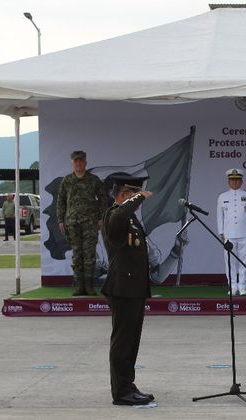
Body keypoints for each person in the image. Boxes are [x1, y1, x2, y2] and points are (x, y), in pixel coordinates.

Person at [100, 175, 154, 406]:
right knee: (122, 343)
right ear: (122, 195)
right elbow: (119, 216)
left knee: (131, 342)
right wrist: (138, 198)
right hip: (122, 287)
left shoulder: (129, 218)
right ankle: (121, 392)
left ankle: (128, 385)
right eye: (133, 194)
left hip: (134, 287)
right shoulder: (114, 215)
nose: (138, 199)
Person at [57, 150, 109, 296]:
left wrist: (101, 218)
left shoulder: (94, 180)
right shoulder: (66, 181)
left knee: (89, 254)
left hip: (90, 224)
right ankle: (79, 286)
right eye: (76, 161)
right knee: (77, 254)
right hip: (72, 223)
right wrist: (61, 220)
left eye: (81, 161)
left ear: (85, 163)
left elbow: (103, 199)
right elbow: (60, 201)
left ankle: (89, 286)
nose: (78, 163)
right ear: (72, 163)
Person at [216, 168, 246, 296]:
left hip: (244, 233)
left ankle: (243, 286)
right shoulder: (222, 197)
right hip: (228, 234)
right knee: (229, 261)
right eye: (232, 180)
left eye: (237, 180)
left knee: (244, 260)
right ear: (228, 181)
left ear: (241, 181)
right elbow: (219, 216)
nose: (235, 182)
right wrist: (221, 232)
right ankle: (232, 286)